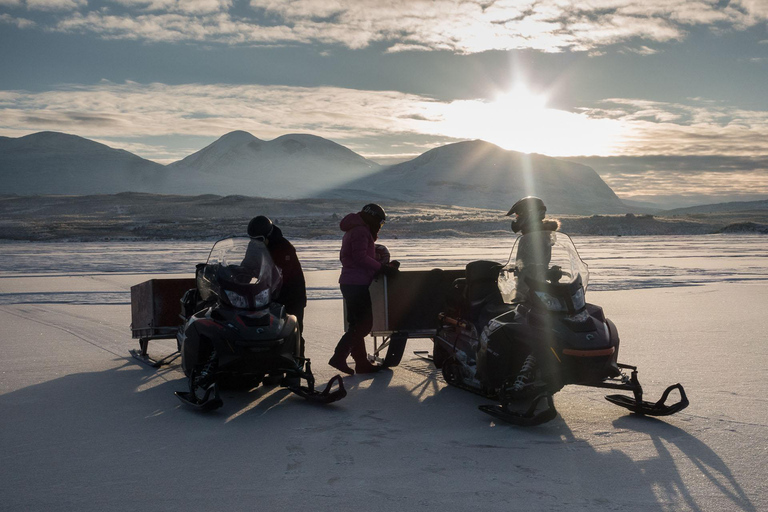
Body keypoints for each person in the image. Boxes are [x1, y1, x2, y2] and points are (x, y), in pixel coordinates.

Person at [329, 203, 399, 375]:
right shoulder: (361, 230)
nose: (379, 227)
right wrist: (382, 269)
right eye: (380, 223)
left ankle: (361, 363)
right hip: (356, 283)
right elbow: (360, 258)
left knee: (356, 324)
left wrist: (383, 264)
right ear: (373, 218)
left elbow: (360, 256)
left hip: (351, 281)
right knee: (364, 325)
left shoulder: (355, 229)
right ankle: (339, 356)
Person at [247, 216, 308, 358]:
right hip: (269, 297)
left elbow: (282, 274)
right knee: (269, 333)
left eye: (259, 239)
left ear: (268, 235)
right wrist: (236, 276)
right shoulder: (254, 245)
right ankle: (272, 366)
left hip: (292, 296)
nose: (255, 242)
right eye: (252, 239)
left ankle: (296, 366)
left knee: (293, 331)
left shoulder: (284, 247)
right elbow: (248, 265)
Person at [506, 196, 559, 302]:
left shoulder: (534, 236)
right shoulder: (536, 234)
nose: (516, 219)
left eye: (518, 214)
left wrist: (521, 295)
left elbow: (530, 270)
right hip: (535, 290)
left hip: (531, 294)